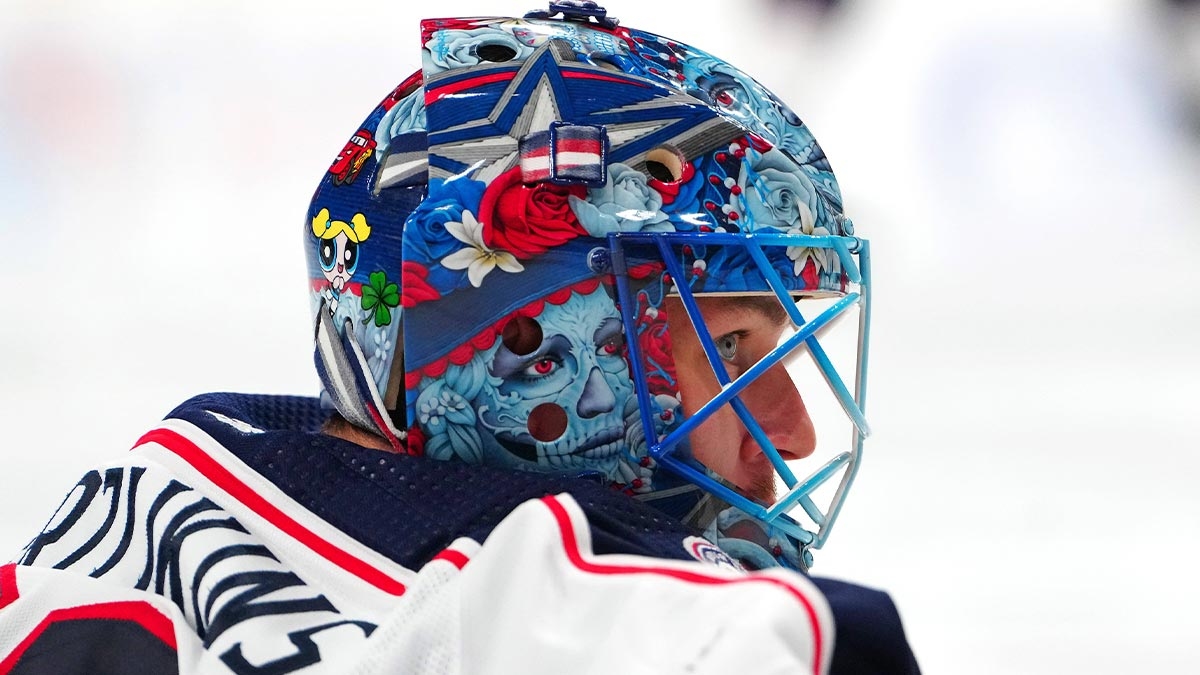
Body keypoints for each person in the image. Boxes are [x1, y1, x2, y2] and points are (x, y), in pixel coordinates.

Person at [0, 3, 919, 673]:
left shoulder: (121, 521)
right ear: (529, 334)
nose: (795, 431)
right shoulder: (644, 621)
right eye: (737, 351)